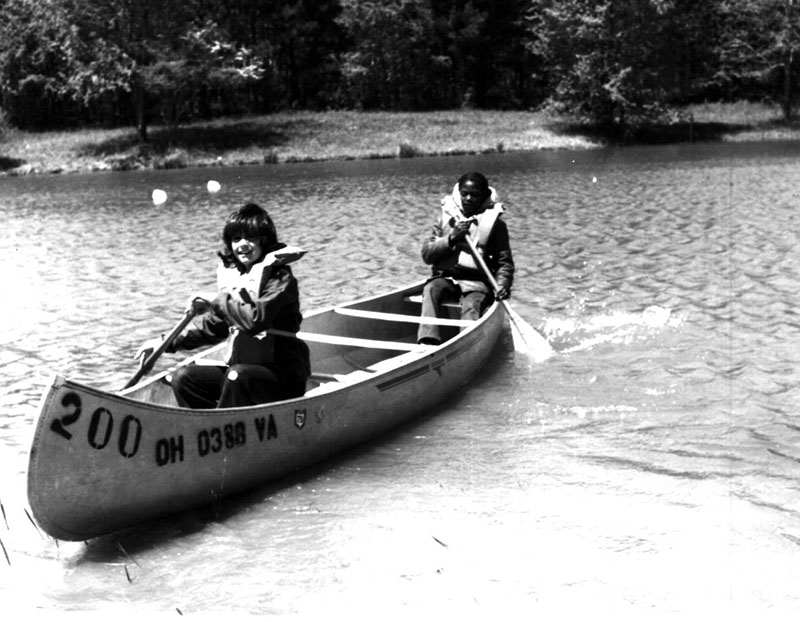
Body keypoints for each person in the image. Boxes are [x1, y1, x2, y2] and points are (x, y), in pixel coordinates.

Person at [136, 202, 311, 408]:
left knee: (237, 375)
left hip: (283, 377)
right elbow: (213, 327)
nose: (242, 244)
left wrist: (216, 301)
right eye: (236, 239)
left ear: (264, 241)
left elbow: (255, 320)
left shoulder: (280, 279)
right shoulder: (239, 279)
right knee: (183, 377)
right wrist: (165, 343)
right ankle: (208, 429)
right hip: (245, 375)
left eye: (250, 237)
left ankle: (225, 426)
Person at [417, 172, 514, 345]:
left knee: (472, 304)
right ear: (458, 193)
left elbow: (504, 263)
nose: (468, 198)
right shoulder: (445, 219)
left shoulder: (497, 226)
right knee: (431, 289)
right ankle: (428, 341)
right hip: (447, 279)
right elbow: (427, 255)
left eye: (474, 195)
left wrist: (502, 285)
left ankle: (465, 344)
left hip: (476, 283)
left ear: (484, 196)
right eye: (464, 194)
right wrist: (452, 238)